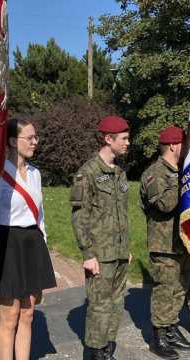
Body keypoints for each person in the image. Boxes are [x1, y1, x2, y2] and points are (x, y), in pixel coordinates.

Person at [0, 118, 56, 360]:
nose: (35, 142)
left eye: (35, 137)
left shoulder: (35, 174)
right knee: (9, 316)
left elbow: (39, 215)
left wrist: (44, 243)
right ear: (11, 141)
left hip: (32, 242)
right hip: (7, 243)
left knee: (28, 313)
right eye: (29, 138)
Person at [70, 115, 130, 360]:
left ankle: (107, 349)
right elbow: (79, 216)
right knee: (99, 305)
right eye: (124, 138)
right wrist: (87, 253)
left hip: (119, 252)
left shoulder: (119, 173)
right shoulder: (88, 173)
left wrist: (126, 248)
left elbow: (122, 213)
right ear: (108, 139)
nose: (128, 143)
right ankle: (94, 353)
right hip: (99, 254)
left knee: (116, 304)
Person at [140, 126, 190, 360]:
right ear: (173, 145)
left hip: (182, 241)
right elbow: (166, 204)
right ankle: (158, 336)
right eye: (183, 144)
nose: (186, 148)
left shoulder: (180, 171)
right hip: (164, 244)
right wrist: (184, 182)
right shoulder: (155, 173)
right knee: (164, 291)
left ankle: (171, 328)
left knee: (179, 288)